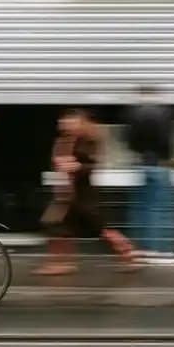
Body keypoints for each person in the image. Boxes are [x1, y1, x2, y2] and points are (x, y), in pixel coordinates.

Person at [36, 109, 138, 275]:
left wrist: (77, 167)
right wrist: (59, 164)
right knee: (54, 226)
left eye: (71, 122)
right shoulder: (65, 140)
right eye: (64, 122)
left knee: (101, 229)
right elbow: (57, 161)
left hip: (84, 195)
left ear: (80, 122)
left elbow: (93, 166)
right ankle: (59, 263)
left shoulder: (89, 140)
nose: (65, 124)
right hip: (65, 195)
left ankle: (129, 255)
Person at [125, 85, 174, 260]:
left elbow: (129, 141)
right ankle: (161, 248)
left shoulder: (133, 113)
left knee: (141, 208)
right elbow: (166, 139)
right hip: (160, 164)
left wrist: (140, 154)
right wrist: (167, 157)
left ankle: (143, 246)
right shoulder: (165, 113)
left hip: (141, 164)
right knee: (161, 209)